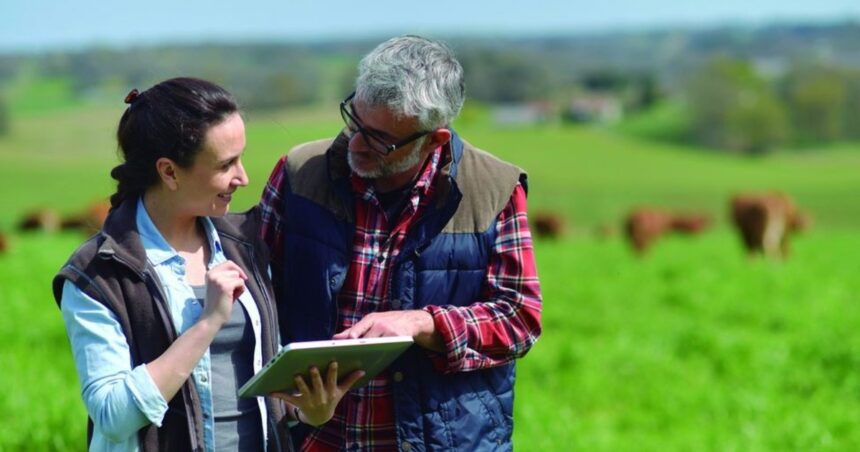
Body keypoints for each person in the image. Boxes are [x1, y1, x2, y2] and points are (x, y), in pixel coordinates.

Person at [260, 36, 543, 450]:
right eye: (353, 120)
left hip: (441, 441)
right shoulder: (300, 173)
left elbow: (519, 319)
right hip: (311, 437)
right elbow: (255, 297)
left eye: (379, 139)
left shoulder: (494, 190)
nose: (355, 143)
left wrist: (423, 324)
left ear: (434, 140)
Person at [53, 77, 362, 452]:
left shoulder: (245, 242)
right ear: (169, 172)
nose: (243, 178)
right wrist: (208, 323)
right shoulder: (98, 273)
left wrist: (310, 410)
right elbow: (113, 416)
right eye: (226, 164)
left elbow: (263, 383)